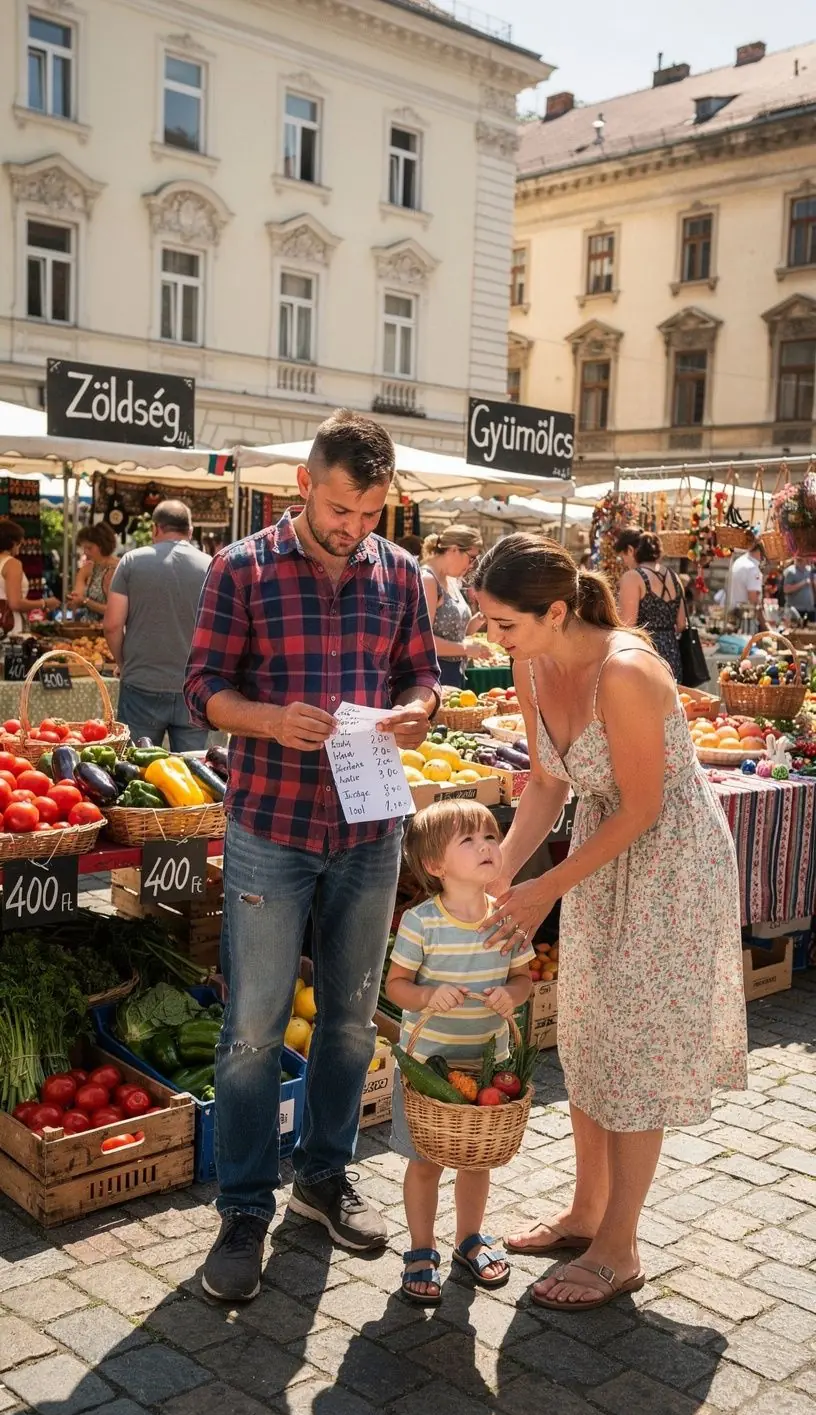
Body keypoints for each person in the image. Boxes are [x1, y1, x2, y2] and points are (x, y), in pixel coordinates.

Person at [183, 409, 441, 1303]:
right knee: (253, 1031)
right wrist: (266, 720)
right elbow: (203, 688)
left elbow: (424, 675)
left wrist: (418, 711)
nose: (354, 528)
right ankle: (245, 1208)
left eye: (371, 513)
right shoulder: (240, 568)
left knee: (349, 1020)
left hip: (370, 832)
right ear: (304, 483)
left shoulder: (401, 574)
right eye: (341, 509)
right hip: (270, 828)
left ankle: (324, 1181)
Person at [472, 534, 746, 1313]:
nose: (494, 639)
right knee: (590, 1032)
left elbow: (646, 808)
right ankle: (585, 1214)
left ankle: (620, 1247)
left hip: (669, 862)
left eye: (504, 624)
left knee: (636, 1047)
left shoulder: (627, 671)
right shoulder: (531, 663)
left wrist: (545, 888)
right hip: (601, 854)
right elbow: (547, 784)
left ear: (556, 611)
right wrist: (506, 872)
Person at [385, 801, 533, 1305]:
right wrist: (428, 996)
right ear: (435, 866)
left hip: (487, 1067)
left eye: (490, 836)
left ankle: (469, 1238)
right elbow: (397, 986)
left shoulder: (505, 919)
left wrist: (511, 996)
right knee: (425, 1162)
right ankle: (421, 1248)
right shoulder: (421, 923)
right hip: (427, 1068)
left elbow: (523, 978)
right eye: (468, 841)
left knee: (477, 1159)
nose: (486, 847)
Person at [104, 500, 211, 751]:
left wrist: (124, 664)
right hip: (193, 687)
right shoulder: (211, 565)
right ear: (191, 531)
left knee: (134, 771)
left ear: (155, 529)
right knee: (193, 774)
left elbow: (112, 625)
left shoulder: (131, 561)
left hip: (142, 683)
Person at [421, 527, 492, 686]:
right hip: (433, 675)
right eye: (471, 557)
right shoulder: (428, 580)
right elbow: (423, 641)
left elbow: (456, 633)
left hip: (453, 672)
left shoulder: (451, 580)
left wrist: (481, 618)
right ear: (454, 550)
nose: (472, 565)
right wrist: (466, 649)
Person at [616, 533, 687, 681]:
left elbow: (628, 624)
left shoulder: (633, 577)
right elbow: (681, 624)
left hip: (644, 653)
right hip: (672, 654)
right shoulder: (674, 577)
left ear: (635, 551)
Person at [0, 521, 59, 632]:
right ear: (12, 542)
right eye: (20, 543)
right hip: (8, 624)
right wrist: (44, 603)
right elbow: (15, 603)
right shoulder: (12, 564)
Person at [67, 523, 119, 619]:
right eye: (84, 548)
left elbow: (115, 610)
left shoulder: (117, 570)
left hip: (108, 629)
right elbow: (77, 597)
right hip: (87, 629)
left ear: (102, 545)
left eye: (89, 548)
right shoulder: (87, 569)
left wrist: (85, 601)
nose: (85, 552)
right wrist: (73, 600)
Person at [730, 540, 764, 621]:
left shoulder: (739, 561)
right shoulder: (752, 568)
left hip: (734, 614)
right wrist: (764, 624)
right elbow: (753, 599)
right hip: (746, 618)